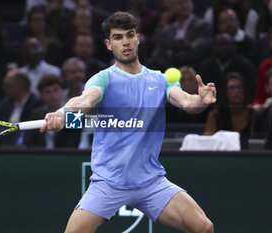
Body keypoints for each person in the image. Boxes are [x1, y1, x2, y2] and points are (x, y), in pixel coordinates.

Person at [40, 11, 215, 233]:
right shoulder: (103, 78)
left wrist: (201, 100)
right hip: (108, 183)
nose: (125, 42)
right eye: (117, 37)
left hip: (150, 182)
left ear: (138, 38)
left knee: (204, 227)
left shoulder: (160, 80)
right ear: (108, 44)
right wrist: (63, 113)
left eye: (129, 35)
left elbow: (188, 104)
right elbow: (84, 101)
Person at [147, 0, 212, 71]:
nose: (184, 5)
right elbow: (158, 55)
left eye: (186, 1)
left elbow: (200, 48)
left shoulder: (202, 26)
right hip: (170, 69)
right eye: (180, 3)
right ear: (172, 8)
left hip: (195, 69)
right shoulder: (166, 30)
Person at [25, 74, 81, 148]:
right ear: (41, 95)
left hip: (65, 157)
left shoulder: (73, 113)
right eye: (48, 92)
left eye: (56, 90)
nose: (53, 95)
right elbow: (29, 142)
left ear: (63, 91)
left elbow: (73, 143)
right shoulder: (35, 114)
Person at [204, 72, 254, 148]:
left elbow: (257, 142)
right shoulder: (216, 115)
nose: (236, 91)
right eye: (232, 88)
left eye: (239, 87)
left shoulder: (253, 113)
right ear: (226, 92)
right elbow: (207, 142)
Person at [0, 68, 42, 146]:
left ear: (20, 86)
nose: (3, 88)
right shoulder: (6, 104)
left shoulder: (37, 104)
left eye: (8, 85)